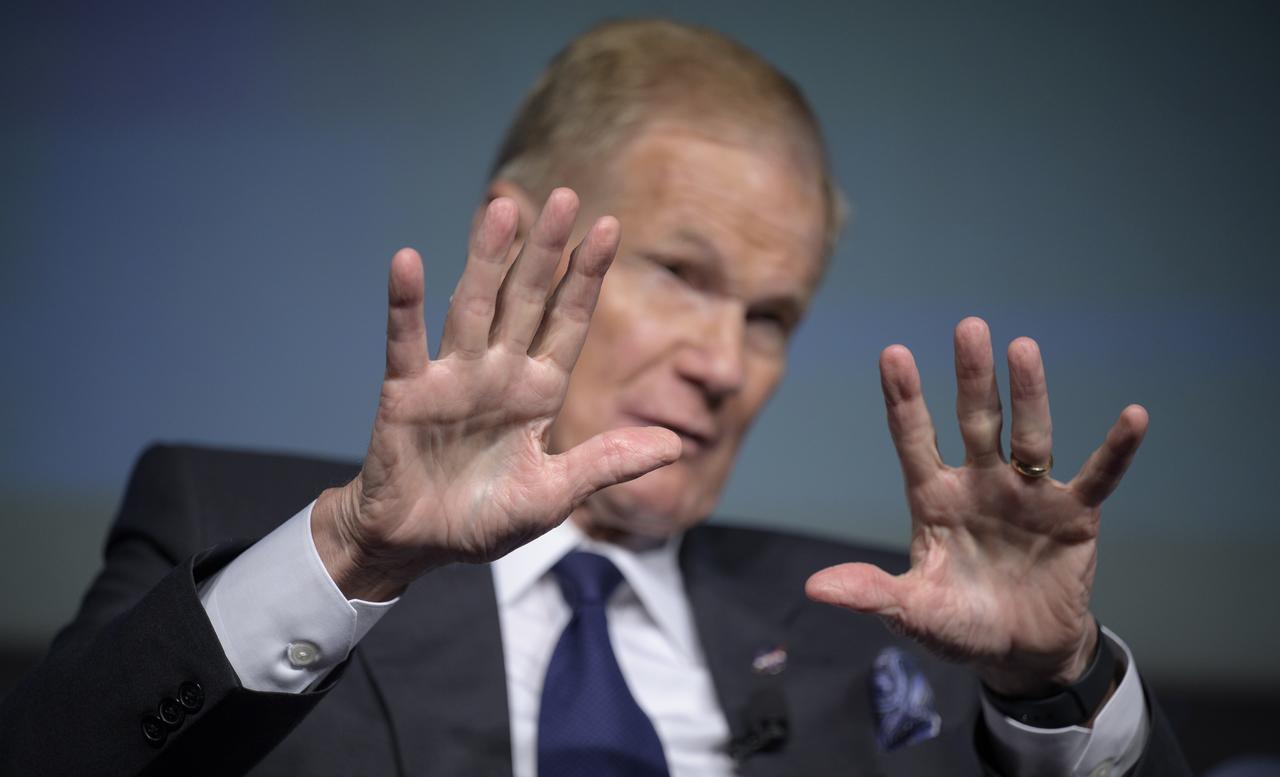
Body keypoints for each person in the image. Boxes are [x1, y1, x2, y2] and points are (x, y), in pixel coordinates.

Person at [0, 18, 1189, 777]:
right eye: (682, 273)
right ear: (518, 242)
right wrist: (349, 557)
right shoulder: (234, 524)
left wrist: (1055, 682)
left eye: (771, 317)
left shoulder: (894, 617)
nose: (724, 362)